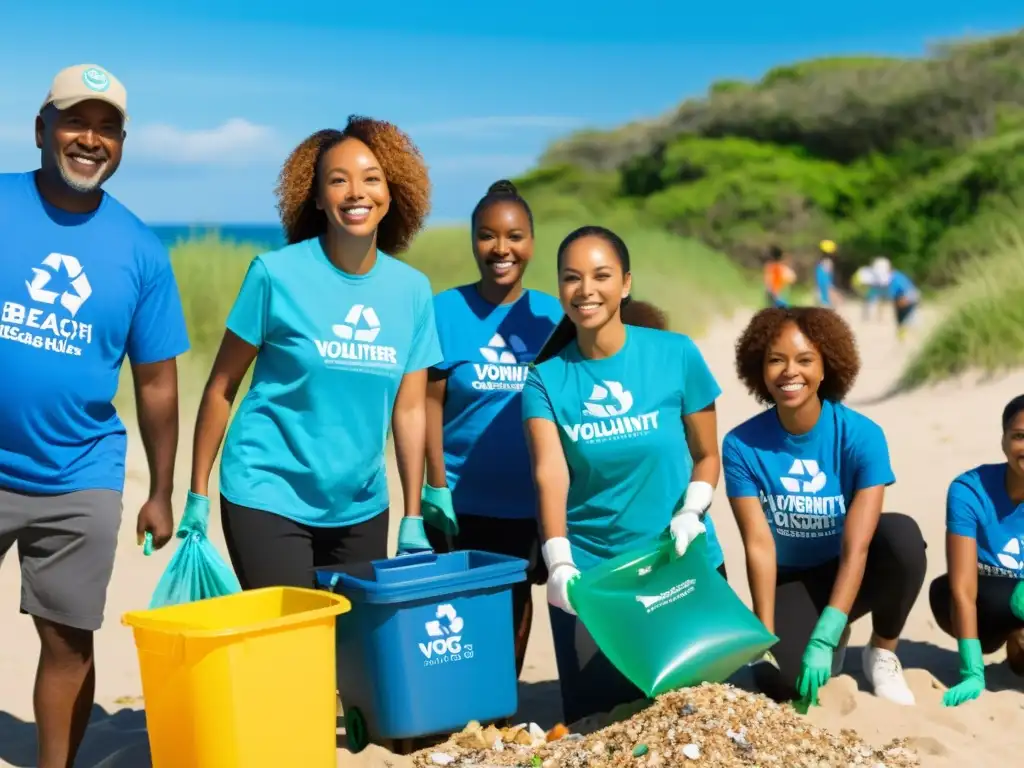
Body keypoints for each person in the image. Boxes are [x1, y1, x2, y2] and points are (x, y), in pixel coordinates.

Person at [0, 64, 189, 768]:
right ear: (41, 128)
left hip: (79, 473)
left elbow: (159, 384)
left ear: (122, 142)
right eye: (76, 121)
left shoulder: (141, 250)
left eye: (107, 127)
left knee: (68, 638)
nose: (90, 138)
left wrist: (161, 490)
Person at [188, 116, 441, 591]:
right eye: (338, 180)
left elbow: (409, 410)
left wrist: (413, 514)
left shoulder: (412, 291)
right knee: (290, 644)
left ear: (393, 193)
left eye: (371, 179)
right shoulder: (274, 274)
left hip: (361, 503)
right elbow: (222, 387)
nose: (356, 193)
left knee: (351, 651)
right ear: (318, 197)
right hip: (266, 490)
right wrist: (197, 493)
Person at [522, 225, 726, 724]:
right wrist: (559, 561)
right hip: (595, 576)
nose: (586, 289)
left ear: (626, 283)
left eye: (601, 275)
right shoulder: (543, 378)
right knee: (599, 723)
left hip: (677, 559)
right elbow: (550, 474)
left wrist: (692, 511)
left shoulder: (676, 354)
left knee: (698, 719)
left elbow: (707, 455)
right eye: (571, 278)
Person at [722, 306, 926, 708]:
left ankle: (882, 651)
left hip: (847, 564)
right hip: (790, 578)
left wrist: (827, 629)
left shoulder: (861, 436)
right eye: (775, 360)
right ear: (758, 368)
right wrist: (764, 632)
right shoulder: (741, 445)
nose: (789, 371)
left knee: (902, 537)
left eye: (804, 360)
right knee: (784, 683)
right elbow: (759, 545)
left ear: (827, 366)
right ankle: (822, 631)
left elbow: (858, 546)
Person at [422, 180, 563, 676]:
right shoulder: (444, 310)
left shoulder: (554, 316)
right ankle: (457, 703)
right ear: (472, 241)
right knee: (454, 618)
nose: (501, 249)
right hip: (460, 501)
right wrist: (435, 486)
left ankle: (500, 705)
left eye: (515, 236)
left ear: (531, 241)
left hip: (531, 502)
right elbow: (428, 405)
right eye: (487, 236)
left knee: (515, 604)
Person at [929, 394, 1024, 707]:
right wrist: (972, 670)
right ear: (1003, 439)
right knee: (949, 589)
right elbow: (962, 587)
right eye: (1019, 436)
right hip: (984, 606)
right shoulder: (970, 490)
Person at [872, 257, 920, 341]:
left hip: (908, 299)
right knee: (900, 322)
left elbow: (908, 293)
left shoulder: (897, 278)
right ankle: (902, 338)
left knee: (909, 322)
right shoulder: (888, 278)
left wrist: (902, 301)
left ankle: (908, 337)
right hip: (900, 299)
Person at [814, 240, 839, 308]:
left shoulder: (820, 262)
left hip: (821, 289)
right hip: (825, 289)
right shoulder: (828, 262)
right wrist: (830, 288)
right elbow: (826, 278)